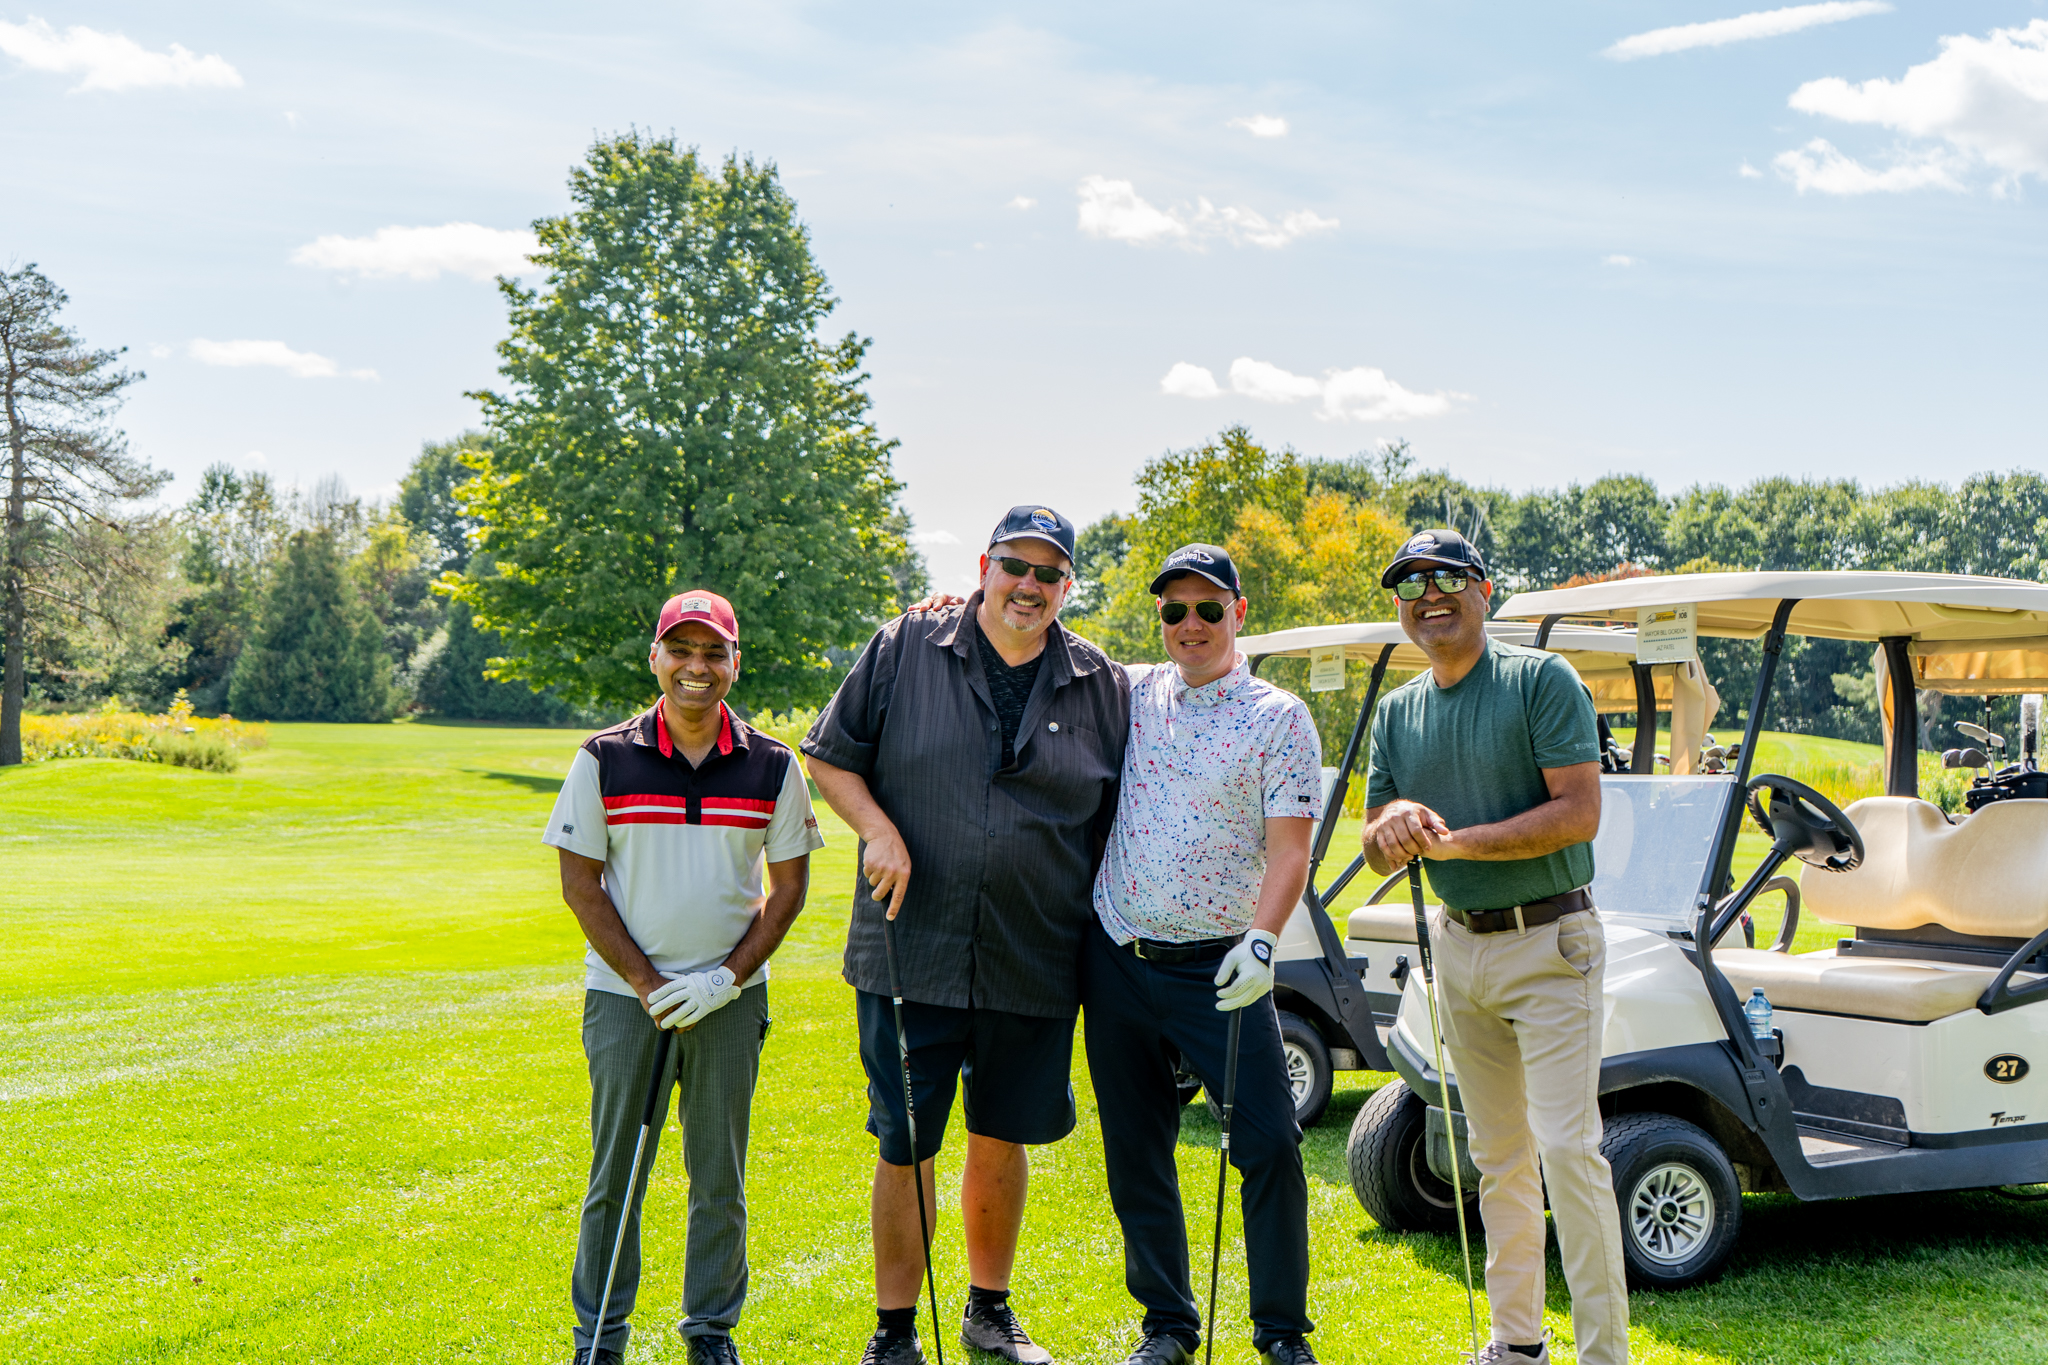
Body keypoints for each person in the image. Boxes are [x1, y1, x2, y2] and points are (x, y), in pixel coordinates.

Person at [803, 505, 1131, 1365]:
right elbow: (828, 753)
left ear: (1067, 585)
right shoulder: (905, 644)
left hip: (1036, 951)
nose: (1029, 585)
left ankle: (990, 1310)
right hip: (912, 945)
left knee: (1002, 1132)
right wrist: (877, 829)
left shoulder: (1101, 682)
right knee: (905, 1140)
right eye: (1015, 565)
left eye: (1049, 573)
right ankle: (894, 1330)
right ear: (984, 566)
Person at [1358, 530, 1625, 1365]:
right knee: (1498, 1156)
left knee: (1569, 1151)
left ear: (1483, 587)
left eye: (1447, 576)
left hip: (1552, 941)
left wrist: (1452, 843)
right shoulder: (1397, 711)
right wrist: (1392, 824)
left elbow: (1579, 813)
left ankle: (1605, 1355)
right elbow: (1373, 840)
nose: (1429, 594)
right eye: (1410, 584)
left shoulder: (1541, 679)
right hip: (1458, 945)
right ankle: (1517, 1342)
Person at [543, 589, 825, 1365]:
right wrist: (647, 983)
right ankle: (600, 1336)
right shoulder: (604, 757)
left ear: (735, 662)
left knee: (718, 1176)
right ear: (656, 657)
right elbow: (579, 883)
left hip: (729, 1003)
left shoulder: (773, 764)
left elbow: (789, 889)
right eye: (682, 649)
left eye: (713, 651)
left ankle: (710, 1330)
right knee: (615, 1174)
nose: (696, 666)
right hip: (624, 1000)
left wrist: (724, 980)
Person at [1082, 544, 1324, 1365]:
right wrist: (954, 606)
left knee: (1270, 1143)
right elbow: (1045, 643)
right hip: (1118, 951)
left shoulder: (1279, 716)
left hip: (1223, 964)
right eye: (1175, 609)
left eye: (1209, 608)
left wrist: (1263, 940)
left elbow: (1290, 850)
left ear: (1238, 612)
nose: (1191, 623)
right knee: (1136, 1149)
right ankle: (1168, 1325)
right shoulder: (1132, 690)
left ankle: (1281, 1330)